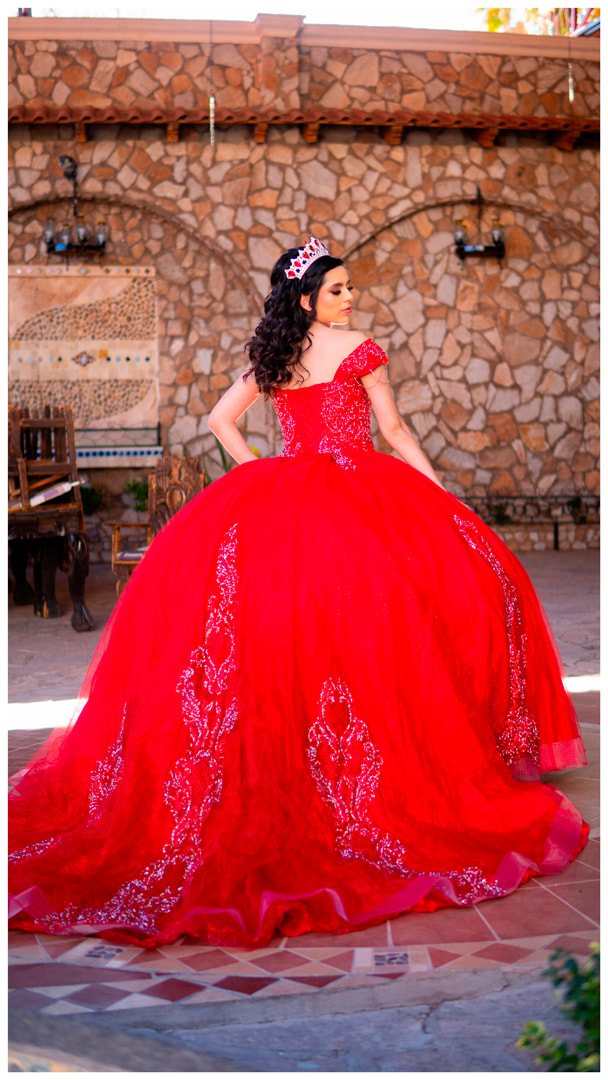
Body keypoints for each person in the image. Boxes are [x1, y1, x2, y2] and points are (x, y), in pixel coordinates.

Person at [9, 236, 588, 949]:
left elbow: (220, 422)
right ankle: (378, 769)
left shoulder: (275, 354)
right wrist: (440, 494)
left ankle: (318, 767)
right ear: (308, 295)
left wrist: (268, 474)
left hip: (287, 495)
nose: (350, 297)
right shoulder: (359, 347)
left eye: (349, 287)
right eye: (338, 288)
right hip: (359, 494)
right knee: (394, 615)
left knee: (300, 629)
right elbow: (395, 429)